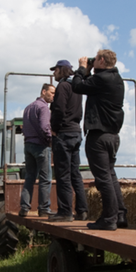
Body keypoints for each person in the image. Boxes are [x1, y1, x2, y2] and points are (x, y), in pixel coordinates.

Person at [71, 49, 127, 231]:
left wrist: (81, 69)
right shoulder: (116, 79)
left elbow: (77, 86)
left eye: (96, 60)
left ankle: (109, 218)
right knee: (110, 175)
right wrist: (90, 70)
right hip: (113, 136)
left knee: (103, 178)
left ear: (102, 60)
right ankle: (120, 215)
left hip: (99, 135)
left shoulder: (102, 79)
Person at [48, 60, 88, 222]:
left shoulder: (63, 87)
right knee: (75, 174)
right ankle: (82, 209)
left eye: (55, 70)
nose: (53, 73)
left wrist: (54, 128)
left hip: (64, 133)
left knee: (63, 175)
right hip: (76, 132)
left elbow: (58, 109)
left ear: (61, 70)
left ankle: (65, 212)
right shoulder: (77, 86)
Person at [19, 83, 55, 216]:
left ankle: (24, 207)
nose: (53, 96)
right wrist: (50, 141)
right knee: (45, 178)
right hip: (40, 146)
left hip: (28, 145)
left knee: (29, 177)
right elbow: (45, 127)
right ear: (43, 91)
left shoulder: (28, 107)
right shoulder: (44, 107)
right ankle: (44, 208)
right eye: (51, 92)